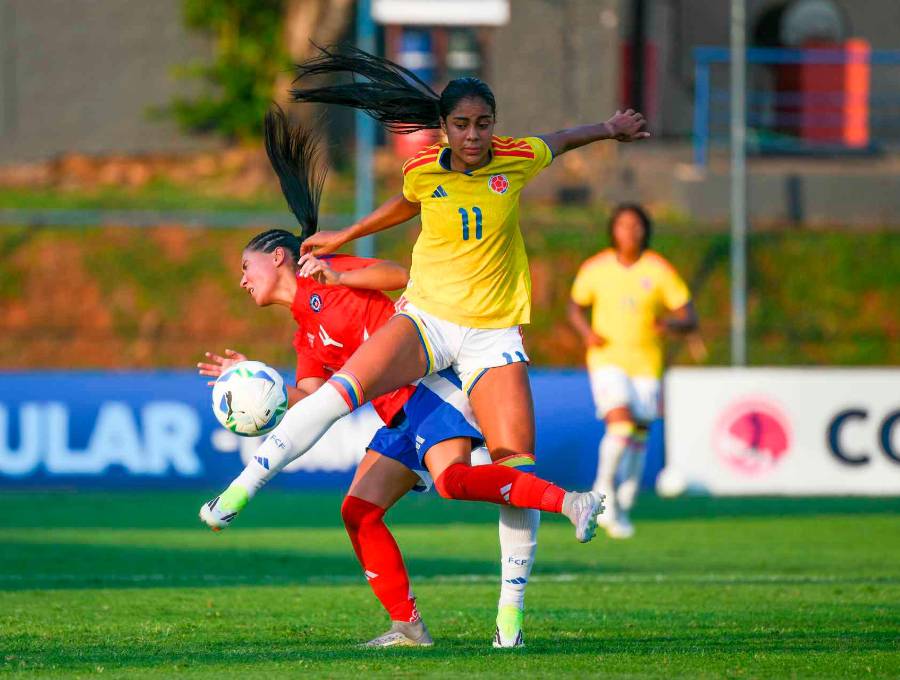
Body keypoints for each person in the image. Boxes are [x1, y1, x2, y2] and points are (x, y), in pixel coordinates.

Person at [201, 45, 647, 641]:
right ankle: (243, 493)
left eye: (482, 123)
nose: (472, 135)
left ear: (495, 123)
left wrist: (609, 129)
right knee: (345, 430)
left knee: (498, 469)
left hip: (488, 340)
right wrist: (258, 377)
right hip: (432, 324)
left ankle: (510, 623)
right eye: (461, 124)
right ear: (444, 128)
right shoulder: (422, 172)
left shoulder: (514, 158)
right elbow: (401, 208)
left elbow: (561, 138)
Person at [568, 204, 698, 538]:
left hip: (646, 364)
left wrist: (670, 323)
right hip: (607, 359)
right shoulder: (596, 267)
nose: (630, 231)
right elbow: (574, 307)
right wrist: (586, 333)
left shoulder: (658, 270)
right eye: (624, 225)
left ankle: (623, 501)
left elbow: (689, 316)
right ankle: (602, 492)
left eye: (636, 225)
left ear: (645, 230)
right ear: (613, 230)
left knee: (639, 433)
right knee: (622, 424)